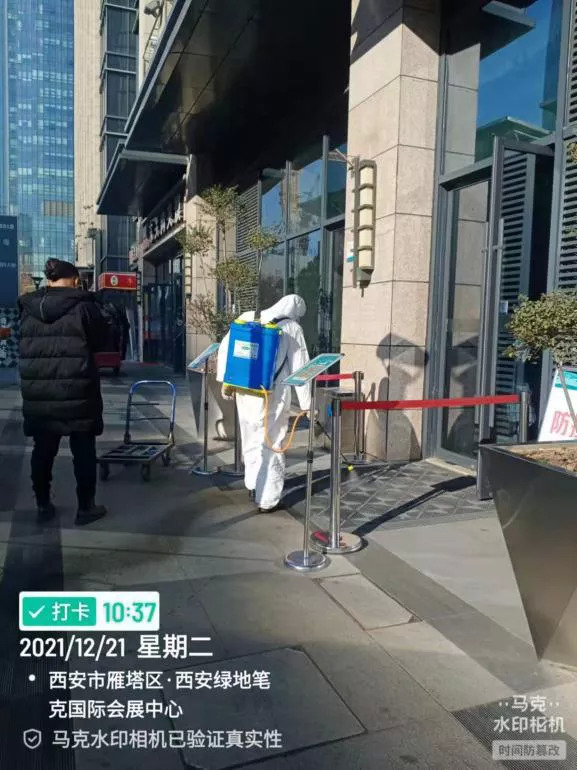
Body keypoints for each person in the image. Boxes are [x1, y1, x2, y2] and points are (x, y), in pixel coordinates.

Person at [18, 259, 110, 524]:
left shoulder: (28, 307)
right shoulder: (84, 306)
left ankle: (43, 504)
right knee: (83, 450)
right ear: (74, 279)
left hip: (39, 392)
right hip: (78, 390)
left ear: (49, 279)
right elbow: (102, 341)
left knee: (43, 449)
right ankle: (85, 507)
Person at [216, 295, 311, 512]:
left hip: (245, 390)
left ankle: (252, 484)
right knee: (272, 442)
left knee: (250, 437)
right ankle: (267, 499)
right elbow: (301, 369)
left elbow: (225, 349)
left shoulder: (249, 316)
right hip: (272, 394)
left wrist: (226, 383)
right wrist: (307, 404)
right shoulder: (292, 328)